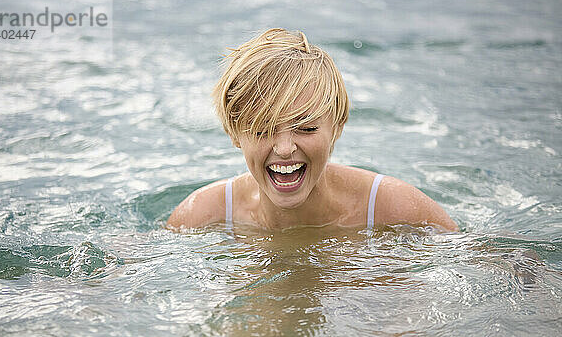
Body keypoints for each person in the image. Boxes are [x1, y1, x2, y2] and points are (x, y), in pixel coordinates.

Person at [166, 28, 458, 232]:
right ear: (234, 133)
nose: (284, 148)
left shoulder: (394, 209)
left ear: (337, 127)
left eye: (305, 127)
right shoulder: (201, 216)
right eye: (262, 130)